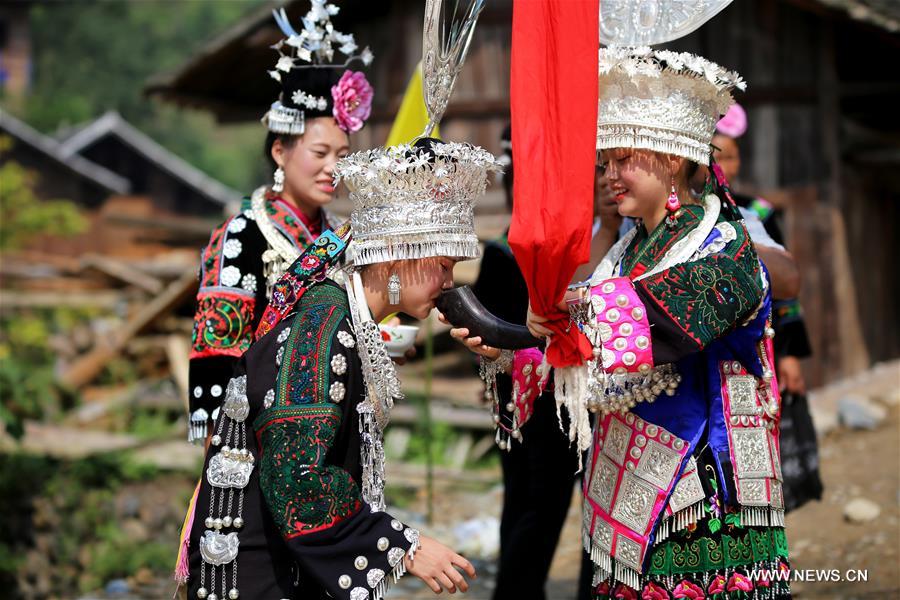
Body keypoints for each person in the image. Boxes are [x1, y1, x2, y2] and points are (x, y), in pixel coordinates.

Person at [453, 48, 791, 598]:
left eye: (623, 158)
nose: (609, 176)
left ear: (673, 158)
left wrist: (556, 319)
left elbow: (655, 321)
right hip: (623, 492)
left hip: (698, 492)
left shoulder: (725, 245)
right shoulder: (626, 249)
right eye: (603, 163)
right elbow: (573, 349)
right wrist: (507, 349)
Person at [186, 3, 374, 443]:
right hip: (257, 440)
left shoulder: (343, 240)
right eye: (320, 153)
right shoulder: (240, 237)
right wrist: (228, 454)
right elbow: (217, 356)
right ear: (280, 152)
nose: (333, 168)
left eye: (343, 156)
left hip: (335, 432)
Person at [470, 126, 593, 600]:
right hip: (533, 402)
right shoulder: (508, 253)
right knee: (535, 506)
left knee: (539, 505)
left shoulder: (553, 248)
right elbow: (491, 329)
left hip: (553, 394)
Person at [714, 104, 822, 511]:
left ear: (740, 161)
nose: (723, 164)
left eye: (730, 156)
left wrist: (791, 354)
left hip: (764, 341)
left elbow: (785, 289)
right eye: (715, 156)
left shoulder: (755, 213)